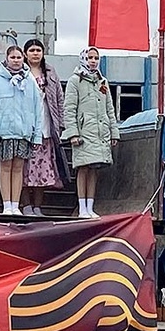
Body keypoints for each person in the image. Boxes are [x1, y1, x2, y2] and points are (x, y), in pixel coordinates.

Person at [0, 45, 44, 216]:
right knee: (5, 167)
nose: (16, 61)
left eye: (19, 57)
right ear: (7, 58)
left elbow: (38, 109)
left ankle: (15, 205)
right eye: (13, 57)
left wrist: (36, 136)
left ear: (23, 58)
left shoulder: (30, 80)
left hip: (23, 133)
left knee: (18, 168)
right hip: (4, 133)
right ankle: (6, 205)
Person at [61, 47, 120, 219]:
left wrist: (114, 132)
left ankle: (90, 206)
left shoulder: (103, 82)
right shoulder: (75, 81)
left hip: (100, 133)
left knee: (95, 168)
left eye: (96, 58)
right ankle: (82, 208)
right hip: (83, 133)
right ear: (83, 59)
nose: (93, 61)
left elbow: (110, 108)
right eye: (89, 57)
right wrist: (73, 133)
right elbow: (69, 108)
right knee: (83, 168)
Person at [20, 39, 71, 216]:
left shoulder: (50, 72)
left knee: (43, 170)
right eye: (32, 50)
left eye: (38, 50)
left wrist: (61, 123)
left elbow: (59, 97)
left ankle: (37, 206)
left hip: (47, 126)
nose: (35, 53)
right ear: (25, 53)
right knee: (24, 170)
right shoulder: (20, 71)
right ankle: (26, 206)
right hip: (25, 128)